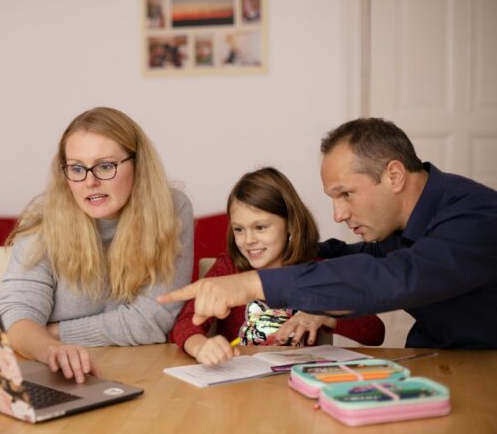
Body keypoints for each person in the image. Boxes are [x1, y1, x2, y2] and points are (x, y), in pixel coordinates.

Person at [160, 118, 497, 349]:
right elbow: (344, 256)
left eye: (346, 194)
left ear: (394, 176)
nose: (339, 214)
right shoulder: (396, 229)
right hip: (436, 362)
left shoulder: (477, 216)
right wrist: (279, 253)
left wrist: (253, 283)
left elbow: (397, 276)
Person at [0, 107, 193, 382]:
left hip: (145, 375)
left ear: (138, 164)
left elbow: (154, 321)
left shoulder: (171, 209)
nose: (90, 181)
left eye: (105, 166)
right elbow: (16, 317)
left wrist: (52, 331)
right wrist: (51, 348)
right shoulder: (43, 218)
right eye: (77, 168)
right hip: (56, 374)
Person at [170, 168, 384, 365]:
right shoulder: (228, 269)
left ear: (290, 224)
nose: (249, 240)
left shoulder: (316, 273)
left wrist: (325, 314)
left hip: (297, 385)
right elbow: (185, 324)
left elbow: (375, 332)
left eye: (260, 227)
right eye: (239, 229)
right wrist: (201, 346)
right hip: (238, 389)